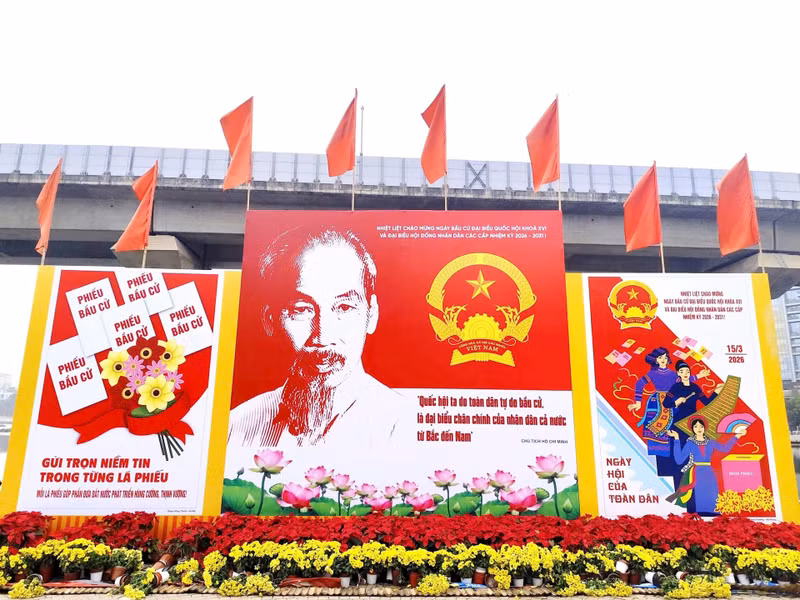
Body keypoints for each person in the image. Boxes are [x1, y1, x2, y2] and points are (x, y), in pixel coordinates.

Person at [228, 225, 403, 448]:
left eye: (345, 307)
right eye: (301, 309)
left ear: (372, 315)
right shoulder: (238, 428)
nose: (323, 336)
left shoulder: (404, 427)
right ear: (269, 319)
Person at [628, 349, 709, 458]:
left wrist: (699, 376)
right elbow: (639, 384)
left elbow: (685, 379)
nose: (663, 360)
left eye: (665, 357)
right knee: (655, 428)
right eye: (660, 357)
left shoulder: (672, 373)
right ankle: (660, 456)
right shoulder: (652, 373)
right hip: (657, 402)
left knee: (675, 427)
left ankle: (676, 454)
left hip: (672, 401)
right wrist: (638, 403)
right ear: (655, 360)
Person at [666, 416, 744, 515]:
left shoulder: (710, 442)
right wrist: (676, 438)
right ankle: (701, 515)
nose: (699, 429)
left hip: (709, 472)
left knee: (712, 493)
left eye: (701, 426)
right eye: (696, 426)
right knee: (699, 496)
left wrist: (737, 436)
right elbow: (679, 460)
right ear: (692, 429)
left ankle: (713, 515)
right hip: (696, 472)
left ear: (704, 428)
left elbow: (725, 448)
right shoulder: (690, 443)